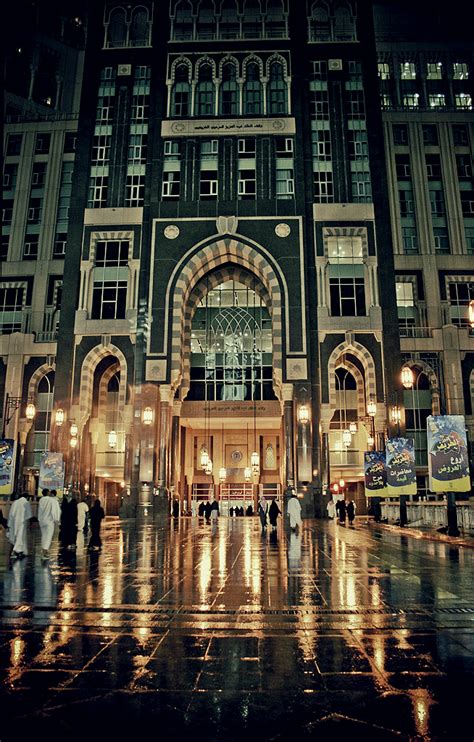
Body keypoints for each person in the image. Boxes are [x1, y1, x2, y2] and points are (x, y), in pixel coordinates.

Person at [7, 492, 32, 560]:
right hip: (22, 522)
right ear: (27, 497)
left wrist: (9, 524)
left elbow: (11, 514)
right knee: (20, 537)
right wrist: (29, 523)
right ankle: (15, 551)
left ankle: (20, 551)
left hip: (14, 522)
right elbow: (29, 514)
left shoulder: (15, 502)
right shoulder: (26, 503)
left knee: (15, 536)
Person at [38, 488, 61, 559]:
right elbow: (55, 510)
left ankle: (43, 549)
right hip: (49, 521)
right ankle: (45, 551)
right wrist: (57, 520)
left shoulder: (41, 500)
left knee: (44, 535)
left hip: (42, 520)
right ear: (48, 493)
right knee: (48, 536)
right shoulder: (52, 500)